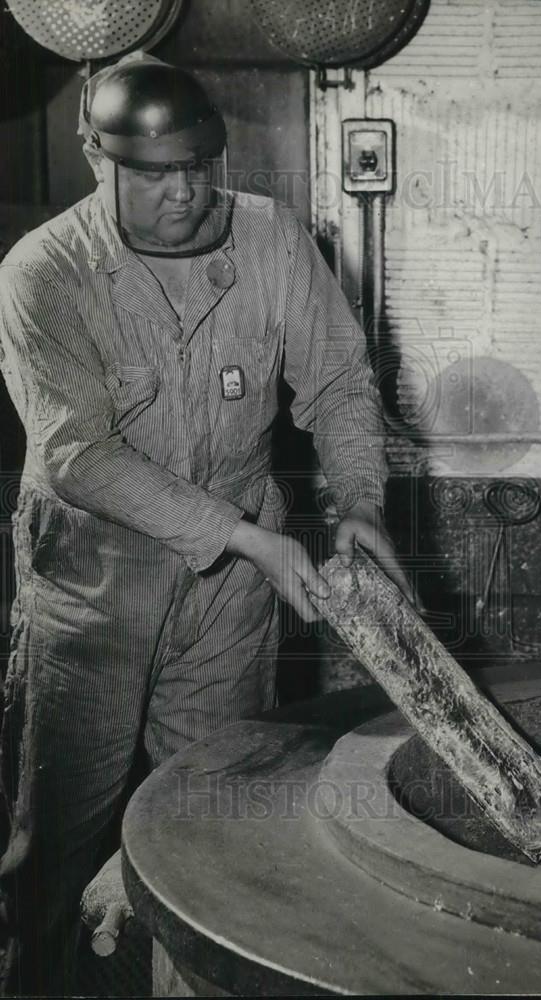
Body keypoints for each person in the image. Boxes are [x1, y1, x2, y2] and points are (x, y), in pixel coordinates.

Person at [0, 51, 413, 995]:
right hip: (93, 583)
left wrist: (360, 504)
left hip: (230, 594)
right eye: (151, 174)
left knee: (208, 825)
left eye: (198, 167)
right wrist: (249, 537)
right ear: (96, 160)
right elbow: (80, 456)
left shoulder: (270, 239)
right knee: (59, 842)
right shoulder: (43, 273)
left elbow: (342, 382)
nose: (183, 192)